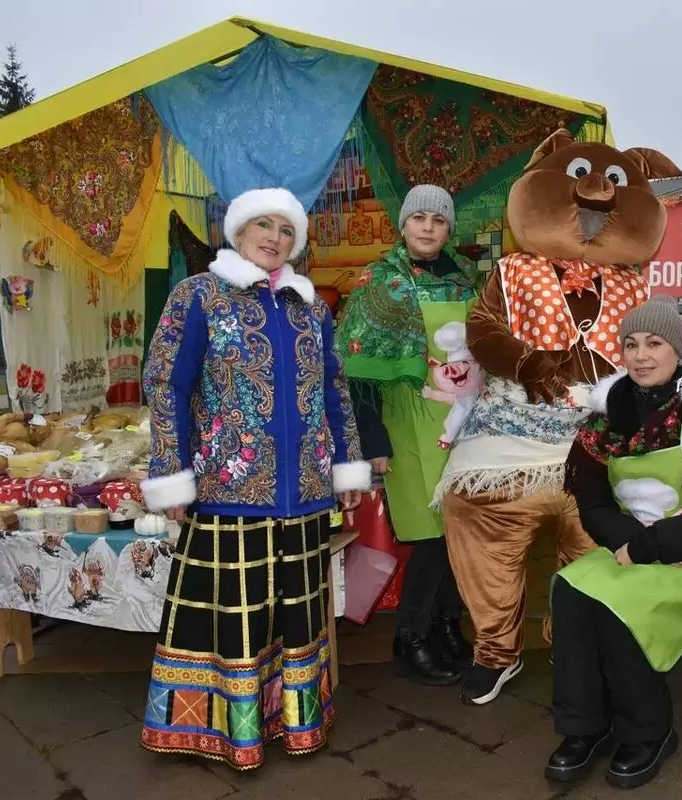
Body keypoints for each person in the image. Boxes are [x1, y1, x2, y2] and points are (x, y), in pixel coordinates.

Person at [138, 187, 372, 770]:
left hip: (306, 495)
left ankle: (295, 724)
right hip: (226, 490)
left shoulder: (310, 308)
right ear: (238, 231)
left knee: (296, 614)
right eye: (263, 225)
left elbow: (333, 389)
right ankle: (229, 733)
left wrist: (345, 464)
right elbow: (166, 384)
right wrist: (172, 471)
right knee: (234, 617)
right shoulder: (198, 296)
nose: (274, 237)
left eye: (286, 229)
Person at [546, 298, 682, 790]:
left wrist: (650, 548)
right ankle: (584, 728)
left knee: (620, 604)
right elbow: (593, 506)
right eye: (631, 344)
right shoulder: (605, 420)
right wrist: (634, 545)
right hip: (631, 543)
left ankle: (650, 732)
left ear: (675, 351)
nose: (641, 355)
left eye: (654, 344)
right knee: (571, 591)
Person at [334, 185, 482, 686]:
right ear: (402, 224)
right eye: (417, 217)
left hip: (464, 416)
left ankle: (446, 625)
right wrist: (372, 441)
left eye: (438, 220)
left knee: (461, 527)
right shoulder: (380, 281)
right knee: (430, 534)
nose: (427, 227)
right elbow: (355, 369)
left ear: (448, 228)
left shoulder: (466, 278)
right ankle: (411, 637)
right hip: (405, 418)